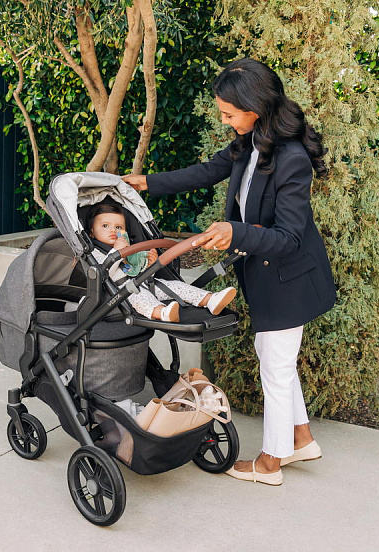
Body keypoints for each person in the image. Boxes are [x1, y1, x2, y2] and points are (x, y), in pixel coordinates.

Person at [122, 58, 336, 486]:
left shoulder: (291, 158)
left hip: (289, 281)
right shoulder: (249, 140)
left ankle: (271, 463)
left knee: (275, 369)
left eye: (229, 114)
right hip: (268, 277)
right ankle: (301, 439)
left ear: (255, 109)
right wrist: (147, 182)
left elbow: (289, 237)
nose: (225, 121)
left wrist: (235, 231)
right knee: (276, 361)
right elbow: (208, 171)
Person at [87, 202, 237, 323]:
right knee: (141, 299)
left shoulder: (131, 247)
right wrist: (117, 252)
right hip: (120, 293)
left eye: (118, 227)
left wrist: (149, 265)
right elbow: (103, 273)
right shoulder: (95, 252)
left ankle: (210, 299)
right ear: (91, 232)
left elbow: (136, 268)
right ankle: (163, 313)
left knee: (176, 286)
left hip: (144, 283)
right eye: (105, 226)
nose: (113, 230)